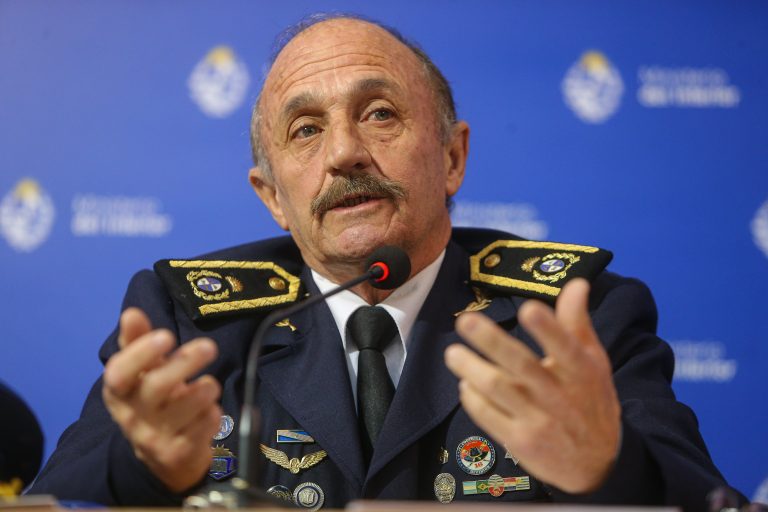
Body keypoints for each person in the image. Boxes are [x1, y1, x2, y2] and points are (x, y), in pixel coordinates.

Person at [30, 14, 744, 511]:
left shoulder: (571, 317)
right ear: (273, 197)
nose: (344, 153)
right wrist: (147, 469)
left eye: (379, 114)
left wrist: (607, 468)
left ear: (453, 156)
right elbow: (56, 500)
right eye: (305, 130)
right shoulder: (189, 321)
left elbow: (709, 501)